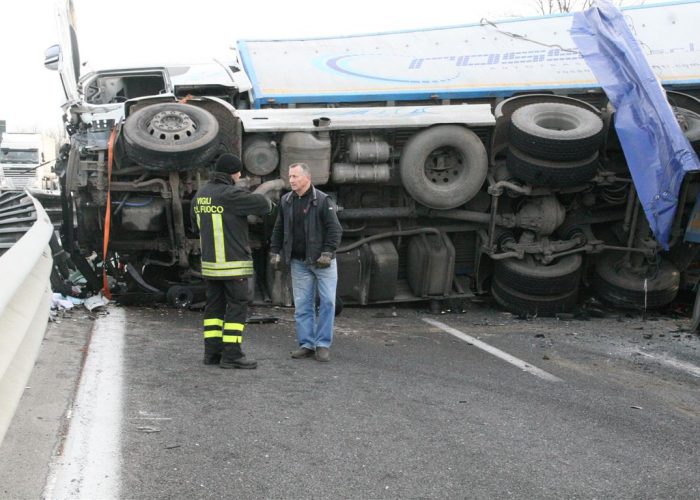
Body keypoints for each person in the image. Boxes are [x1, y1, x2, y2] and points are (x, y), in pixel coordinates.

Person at [191, 153, 273, 369]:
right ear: (232, 173)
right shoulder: (230, 194)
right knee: (236, 309)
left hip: (210, 266)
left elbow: (193, 225)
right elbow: (263, 204)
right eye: (238, 172)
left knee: (214, 312)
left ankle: (212, 354)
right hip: (233, 266)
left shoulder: (201, 195)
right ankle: (232, 355)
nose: (239, 175)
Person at [269, 162, 343, 362]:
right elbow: (278, 228)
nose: (291, 180)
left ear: (307, 178)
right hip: (299, 262)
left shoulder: (322, 200)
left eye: (295, 176)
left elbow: (335, 229)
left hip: (322, 262)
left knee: (327, 302)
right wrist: (274, 251)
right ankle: (307, 344)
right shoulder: (286, 201)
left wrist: (327, 253)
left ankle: (322, 345)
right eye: (290, 176)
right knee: (302, 305)